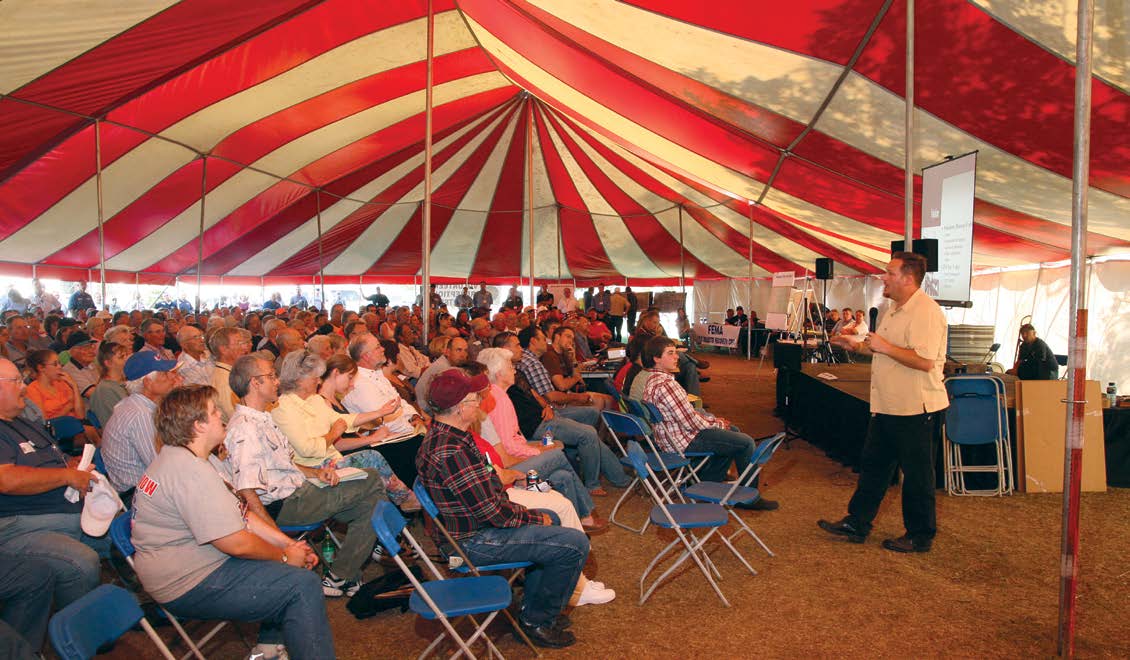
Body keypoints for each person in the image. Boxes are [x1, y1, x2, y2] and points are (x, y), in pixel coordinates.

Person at [131, 385, 333, 660]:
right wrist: (285, 557)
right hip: (188, 581)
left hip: (197, 563)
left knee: (291, 572)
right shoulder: (189, 471)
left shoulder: (187, 457)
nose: (222, 416)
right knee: (302, 586)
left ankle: (269, 647)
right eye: (214, 412)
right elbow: (235, 542)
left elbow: (242, 513)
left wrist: (288, 545)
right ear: (198, 425)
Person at [416, 369, 590, 648]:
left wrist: (534, 516)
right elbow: (492, 513)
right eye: (475, 399)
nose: (480, 403)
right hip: (472, 542)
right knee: (574, 542)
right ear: (461, 408)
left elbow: (488, 500)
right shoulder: (451, 450)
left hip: (471, 528)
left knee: (556, 520)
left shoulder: (447, 435)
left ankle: (533, 608)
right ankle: (537, 620)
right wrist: (534, 517)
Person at [224, 354, 387, 597]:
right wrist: (280, 541)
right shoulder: (245, 428)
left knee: (371, 503)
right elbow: (247, 492)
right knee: (373, 477)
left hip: (300, 492)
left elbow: (286, 465)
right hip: (286, 504)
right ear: (254, 383)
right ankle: (343, 574)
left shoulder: (263, 417)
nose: (277, 381)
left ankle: (339, 577)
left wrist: (317, 472)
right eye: (270, 376)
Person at [819, 252, 947, 553]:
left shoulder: (926, 312)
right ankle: (857, 522)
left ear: (907, 277)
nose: (883, 277)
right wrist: (858, 346)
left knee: (917, 476)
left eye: (889, 272)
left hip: (916, 407)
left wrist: (885, 346)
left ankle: (920, 535)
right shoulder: (894, 309)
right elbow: (883, 350)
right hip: (888, 405)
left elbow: (926, 361)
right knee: (874, 468)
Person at [0, 358, 102, 612]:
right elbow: (7, 479)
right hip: (19, 524)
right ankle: (80, 631)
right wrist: (66, 477)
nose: (24, 387)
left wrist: (73, 466)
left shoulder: (22, 420)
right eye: (16, 381)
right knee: (82, 562)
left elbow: (55, 460)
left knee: (123, 528)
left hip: (59, 509)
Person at [641, 337, 778, 510]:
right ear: (656, 358)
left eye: (676, 352)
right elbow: (690, 421)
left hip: (671, 438)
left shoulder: (653, 380)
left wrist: (715, 422)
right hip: (683, 441)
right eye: (671, 353)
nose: (676, 357)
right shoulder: (667, 385)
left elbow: (687, 416)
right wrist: (718, 423)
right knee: (745, 442)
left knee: (732, 435)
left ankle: (707, 483)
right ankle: (749, 497)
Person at [474, 350, 604, 529]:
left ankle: (575, 524)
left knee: (563, 475)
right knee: (557, 454)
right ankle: (586, 514)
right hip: (507, 467)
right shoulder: (498, 399)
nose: (514, 370)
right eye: (511, 367)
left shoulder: (498, 396)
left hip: (510, 458)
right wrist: (538, 452)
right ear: (499, 374)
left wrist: (537, 450)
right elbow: (509, 449)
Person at [271, 351, 417, 510]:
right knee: (372, 457)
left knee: (376, 481)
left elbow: (344, 421)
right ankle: (405, 498)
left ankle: (397, 505)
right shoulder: (283, 409)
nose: (319, 380)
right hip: (316, 470)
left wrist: (380, 412)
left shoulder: (313, 400)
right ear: (300, 378)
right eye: (315, 377)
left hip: (333, 460)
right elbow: (308, 449)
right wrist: (333, 433)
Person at [100, 352, 182, 497]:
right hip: (137, 493)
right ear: (147, 383)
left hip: (145, 484)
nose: (173, 377)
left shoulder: (137, 404)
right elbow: (160, 466)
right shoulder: (141, 415)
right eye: (164, 374)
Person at [24, 349, 99, 451]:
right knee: (90, 433)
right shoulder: (32, 390)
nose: (60, 367)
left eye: (59, 363)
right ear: (41, 368)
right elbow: (44, 421)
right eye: (55, 364)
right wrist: (68, 407)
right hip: (57, 432)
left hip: (78, 426)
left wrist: (74, 386)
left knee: (98, 430)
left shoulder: (62, 383)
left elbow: (80, 414)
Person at [208, 326, 251, 422]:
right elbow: (238, 419)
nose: (245, 347)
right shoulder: (225, 381)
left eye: (243, 343)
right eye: (239, 343)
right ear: (224, 349)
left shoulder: (231, 372)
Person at [415, 336, 468, 405]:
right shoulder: (444, 369)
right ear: (447, 352)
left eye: (465, 350)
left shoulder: (445, 362)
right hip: (425, 409)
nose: (463, 355)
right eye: (458, 350)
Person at [89, 341, 131, 428]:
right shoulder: (105, 390)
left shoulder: (123, 382)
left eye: (127, 355)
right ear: (108, 363)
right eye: (122, 357)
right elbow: (118, 424)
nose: (127, 359)